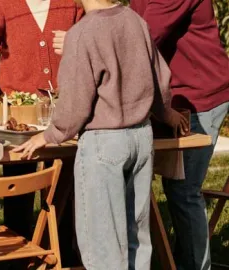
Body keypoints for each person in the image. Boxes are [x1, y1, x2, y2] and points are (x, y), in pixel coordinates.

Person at [13, 0, 189, 268]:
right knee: (136, 237)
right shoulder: (134, 20)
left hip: (104, 143)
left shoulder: (83, 32)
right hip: (141, 138)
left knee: (103, 243)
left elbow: (74, 102)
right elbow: (158, 80)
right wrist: (165, 113)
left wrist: (48, 135)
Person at [130, 1, 229, 269]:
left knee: (184, 190)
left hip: (200, 97)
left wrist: (90, 37)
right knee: (163, 185)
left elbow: (146, 35)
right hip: (171, 97)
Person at [0, 0, 83, 238]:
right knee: (19, 182)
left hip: (64, 105)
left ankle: (62, 250)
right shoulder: (1, 2)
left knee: (65, 184)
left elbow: (94, 31)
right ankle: (18, 248)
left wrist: (76, 38)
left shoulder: (73, 2)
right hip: (17, 113)